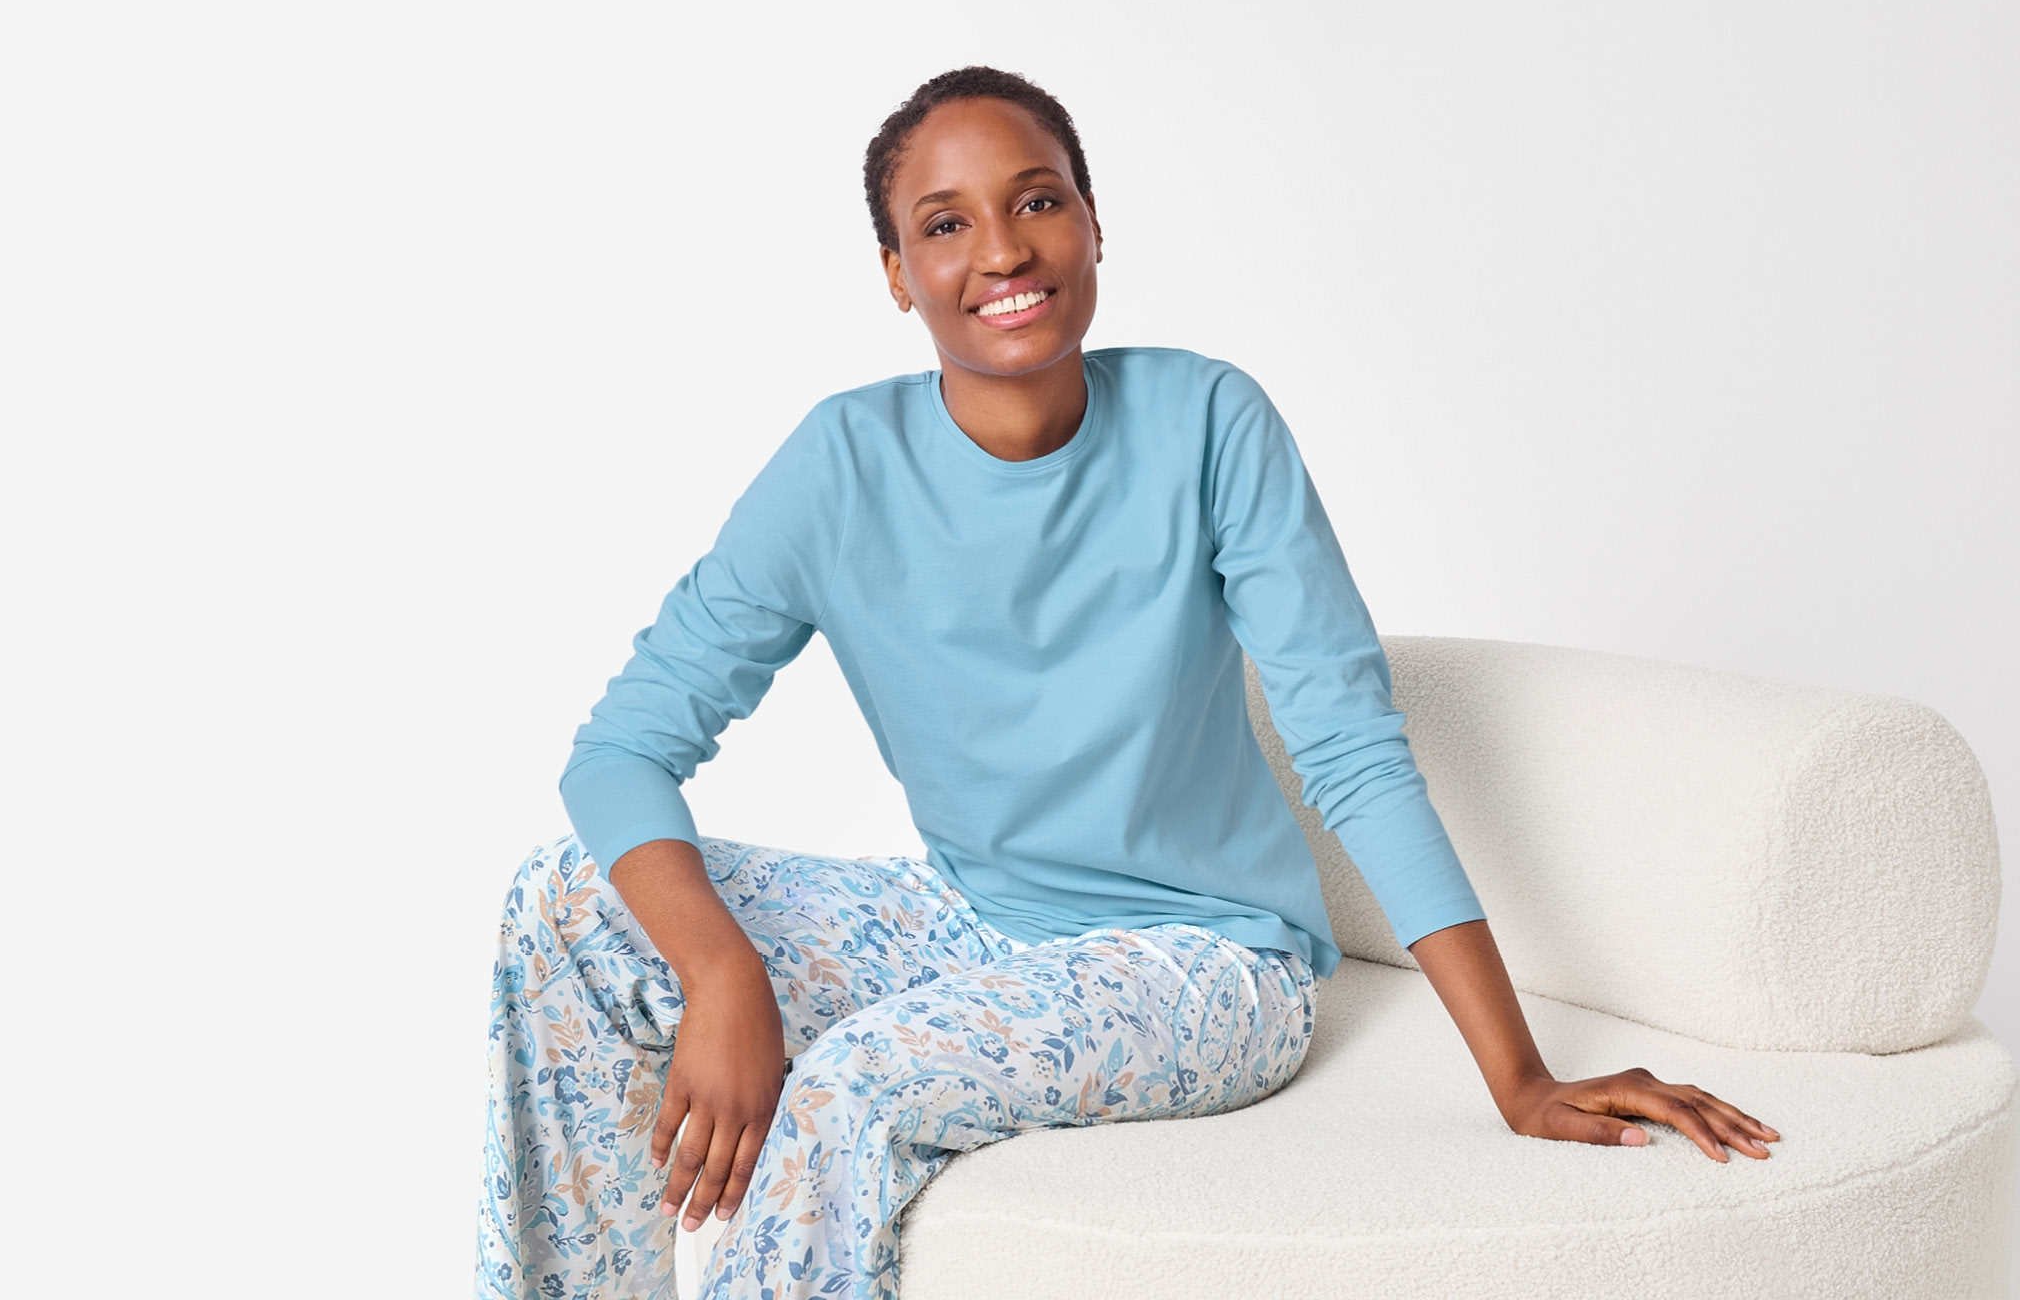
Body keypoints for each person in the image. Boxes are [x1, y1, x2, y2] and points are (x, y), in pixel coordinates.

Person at [474, 67, 1778, 1300]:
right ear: (896, 274)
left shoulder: (1211, 423)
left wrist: (1521, 1078)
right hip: (970, 922)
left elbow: (1351, 750)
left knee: (851, 1084)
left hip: (1210, 967)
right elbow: (622, 748)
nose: (1001, 250)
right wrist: (724, 976)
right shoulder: (840, 467)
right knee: (567, 899)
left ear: (1094, 224)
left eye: (1036, 199)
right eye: (946, 222)